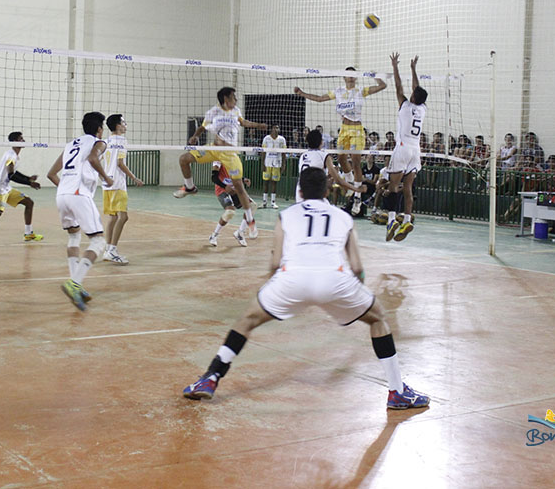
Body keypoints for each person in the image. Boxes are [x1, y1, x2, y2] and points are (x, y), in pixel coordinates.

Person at [181, 167, 429, 410]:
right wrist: (354, 300)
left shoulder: (286, 215)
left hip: (292, 280)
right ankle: (397, 392)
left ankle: (212, 377)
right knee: (378, 319)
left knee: (247, 320)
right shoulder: (343, 217)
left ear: (299, 190)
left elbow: (275, 263)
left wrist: (274, 293)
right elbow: (357, 268)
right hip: (336, 281)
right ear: (327, 191)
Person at [174, 87, 266, 240]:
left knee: (239, 187)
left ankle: (250, 222)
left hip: (230, 154)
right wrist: (195, 137)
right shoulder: (213, 112)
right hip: (214, 149)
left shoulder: (236, 111)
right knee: (184, 159)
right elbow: (202, 127)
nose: (236, 100)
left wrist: (257, 125)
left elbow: (243, 122)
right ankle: (189, 187)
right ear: (225, 99)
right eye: (233, 97)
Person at [294, 68, 387, 215]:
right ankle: (350, 182)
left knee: (356, 162)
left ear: (355, 78)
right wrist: (302, 93)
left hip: (356, 130)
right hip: (343, 130)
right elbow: (319, 99)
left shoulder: (361, 91)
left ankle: (357, 197)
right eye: (348, 75)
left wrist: (375, 76)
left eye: (353, 75)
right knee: (342, 159)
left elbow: (383, 86)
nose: (350, 77)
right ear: (344, 77)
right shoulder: (337, 92)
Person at [47, 111, 114, 311]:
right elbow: (94, 159)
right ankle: (74, 283)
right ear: (100, 129)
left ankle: (76, 283)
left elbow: (51, 174)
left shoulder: (70, 145)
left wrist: (65, 190)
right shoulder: (98, 142)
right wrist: (106, 178)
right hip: (79, 193)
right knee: (98, 240)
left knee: (74, 237)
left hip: (62, 195)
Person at [385, 53, 427, 242]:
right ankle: (408, 219)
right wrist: (413, 69)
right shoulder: (423, 109)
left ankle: (392, 219)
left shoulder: (404, 105)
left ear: (412, 95)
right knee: (408, 187)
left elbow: (398, 85)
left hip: (402, 148)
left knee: (393, 186)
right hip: (416, 151)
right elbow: (416, 89)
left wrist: (395, 66)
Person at [101, 114, 144, 265]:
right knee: (123, 217)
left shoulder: (105, 141)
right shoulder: (122, 140)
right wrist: (134, 177)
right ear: (118, 126)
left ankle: (108, 250)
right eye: (124, 123)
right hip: (118, 184)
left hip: (106, 184)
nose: (126, 126)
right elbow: (120, 162)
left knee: (113, 217)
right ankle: (112, 250)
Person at [208, 161, 251, 248]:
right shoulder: (219, 160)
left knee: (251, 207)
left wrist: (243, 179)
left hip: (234, 189)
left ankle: (240, 232)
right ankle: (214, 235)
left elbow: (234, 176)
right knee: (230, 212)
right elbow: (214, 178)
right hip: (222, 190)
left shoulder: (234, 160)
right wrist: (225, 186)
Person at [261, 125, 287, 209]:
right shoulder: (266, 138)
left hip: (277, 163)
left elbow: (284, 153)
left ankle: (273, 202)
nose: (277, 129)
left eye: (278, 128)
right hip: (267, 162)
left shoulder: (282, 139)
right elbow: (263, 152)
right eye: (275, 127)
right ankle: (264, 202)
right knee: (265, 182)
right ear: (272, 129)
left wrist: (283, 164)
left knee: (274, 182)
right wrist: (262, 164)